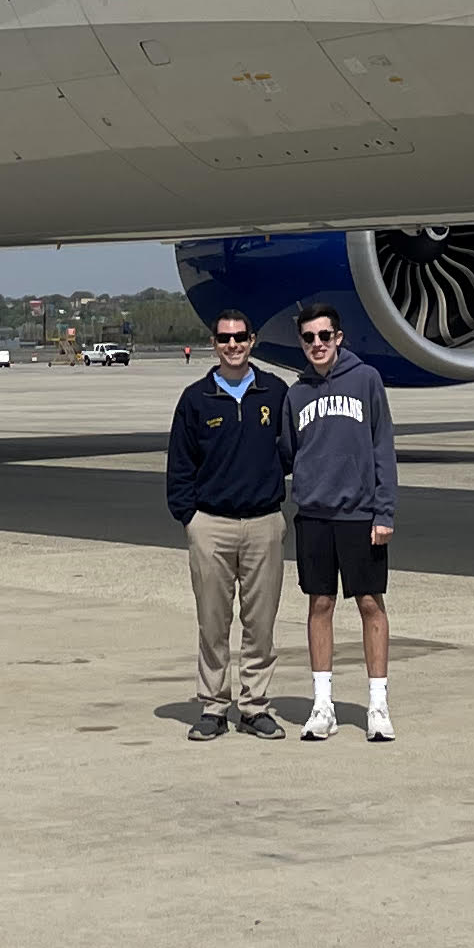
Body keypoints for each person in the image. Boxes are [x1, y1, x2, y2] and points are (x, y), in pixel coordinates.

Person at [165, 311, 292, 738]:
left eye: (240, 337)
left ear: (252, 340)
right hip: (211, 525)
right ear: (213, 342)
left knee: (261, 623)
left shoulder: (274, 391)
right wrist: (190, 517)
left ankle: (255, 706)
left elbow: (290, 450)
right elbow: (180, 464)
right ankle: (214, 706)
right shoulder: (196, 398)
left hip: (263, 523)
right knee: (213, 622)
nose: (233, 345)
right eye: (224, 338)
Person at [287, 305, 399, 740]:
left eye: (324, 335)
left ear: (339, 337)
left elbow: (382, 447)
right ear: (302, 342)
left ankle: (378, 705)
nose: (317, 344)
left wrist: (384, 511)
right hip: (314, 515)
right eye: (309, 337)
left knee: (370, 604)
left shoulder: (366, 380)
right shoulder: (295, 394)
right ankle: (322, 705)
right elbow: (286, 452)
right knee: (320, 605)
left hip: (359, 515)